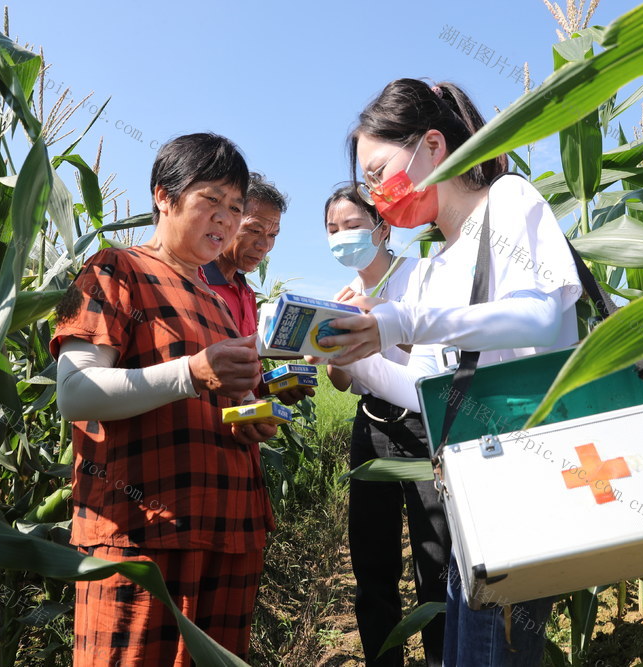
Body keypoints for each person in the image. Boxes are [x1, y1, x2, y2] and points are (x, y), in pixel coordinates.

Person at [320, 79, 584, 665]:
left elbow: (540, 318)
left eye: (379, 170)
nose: (377, 192)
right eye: (367, 184)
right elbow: (427, 391)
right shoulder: (437, 261)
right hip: (470, 492)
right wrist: (354, 356)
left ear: (433, 147)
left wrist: (399, 320)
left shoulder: (508, 202)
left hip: (523, 478)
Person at [50, 133, 277, 666]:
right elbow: (75, 393)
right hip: (142, 534)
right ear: (164, 196)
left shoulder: (217, 305)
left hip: (230, 532)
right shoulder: (113, 270)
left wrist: (249, 421)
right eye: (211, 201)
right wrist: (193, 372)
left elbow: (209, 403)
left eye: (235, 208)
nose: (224, 220)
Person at [324, 185, 451, 667]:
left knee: (434, 556)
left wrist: (368, 336)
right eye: (333, 230)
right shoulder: (345, 296)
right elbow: (342, 382)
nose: (342, 238)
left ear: (382, 228)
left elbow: (427, 366)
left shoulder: (420, 276)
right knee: (371, 558)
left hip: (422, 427)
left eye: (352, 226)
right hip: (372, 426)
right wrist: (333, 350)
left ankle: (444, 654)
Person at [200, 172, 313, 405]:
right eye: (254, 230)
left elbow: (237, 378)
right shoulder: (195, 281)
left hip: (240, 436)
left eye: (272, 235)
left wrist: (275, 385)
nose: (264, 246)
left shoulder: (247, 294)